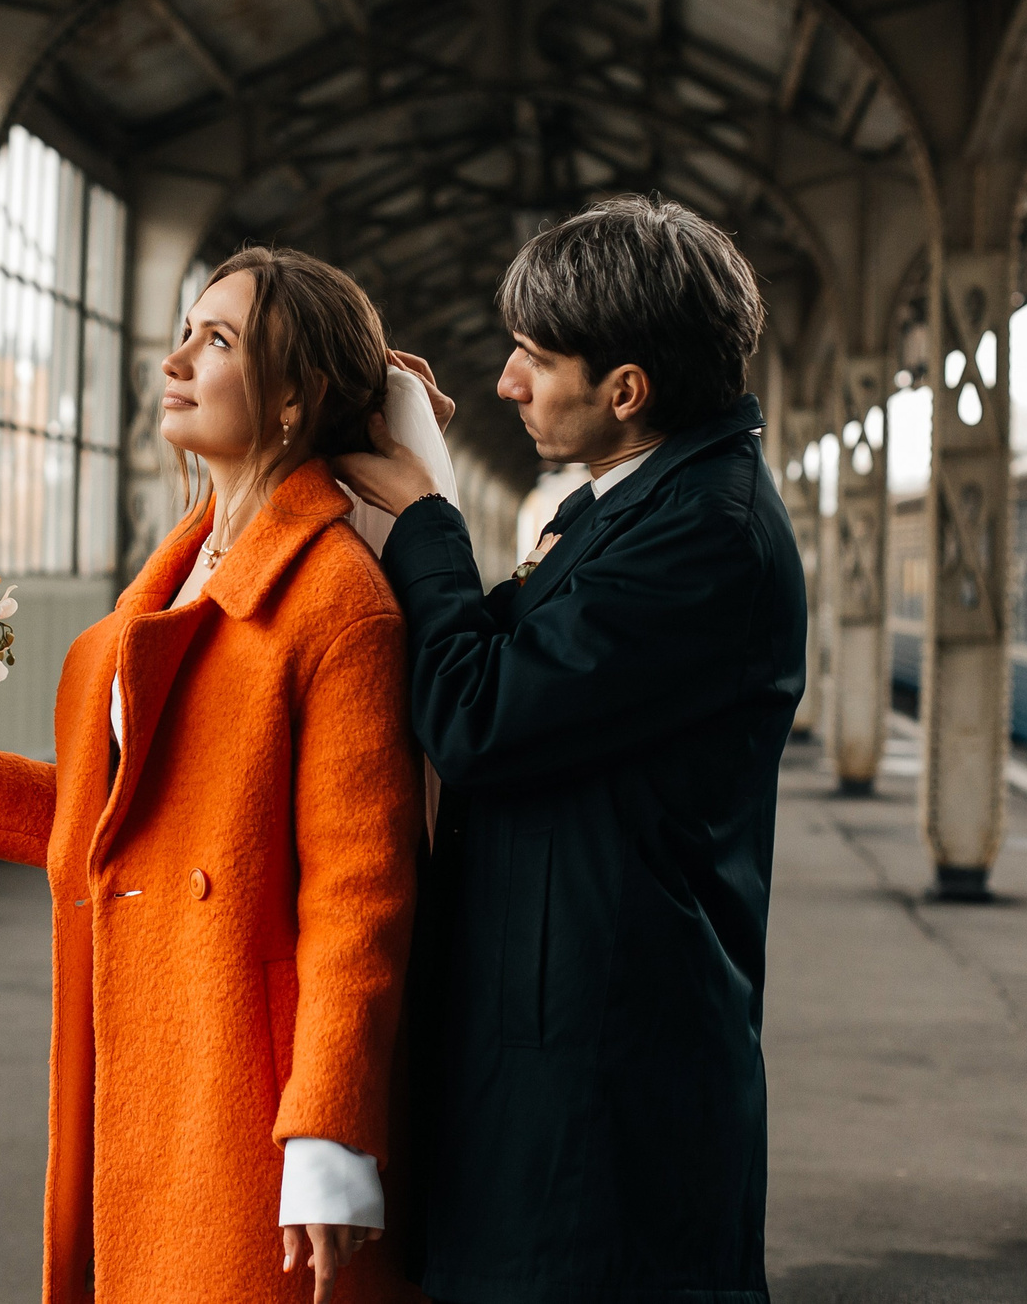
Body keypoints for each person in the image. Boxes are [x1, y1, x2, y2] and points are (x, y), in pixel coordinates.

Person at [0, 248, 426, 1304]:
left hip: (243, 1087)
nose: (174, 361)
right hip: (156, 1046)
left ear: (291, 400)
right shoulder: (182, 564)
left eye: (217, 342)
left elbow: (362, 896)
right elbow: (157, 828)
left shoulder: (337, 603)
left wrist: (330, 1133)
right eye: (184, 330)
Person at [333, 195, 805, 1304]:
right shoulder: (634, 502)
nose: (506, 382)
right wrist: (427, 466)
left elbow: (478, 717)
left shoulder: (701, 536)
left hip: (607, 1060)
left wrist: (427, 527)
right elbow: (512, 644)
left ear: (627, 390)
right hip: (563, 1020)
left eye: (535, 359)